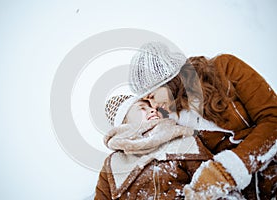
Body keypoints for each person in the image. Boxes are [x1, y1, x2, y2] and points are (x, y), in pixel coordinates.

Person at [129, 42, 277, 199]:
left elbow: (273, 118)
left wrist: (228, 169)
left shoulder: (226, 69)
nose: (153, 105)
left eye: (152, 97)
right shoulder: (175, 122)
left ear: (169, 81)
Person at [94, 95, 240, 199]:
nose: (152, 110)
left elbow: (214, 187)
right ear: (125, 122)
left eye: (152, 107)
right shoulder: (113, 164)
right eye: (142, 108)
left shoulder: (183, 140)